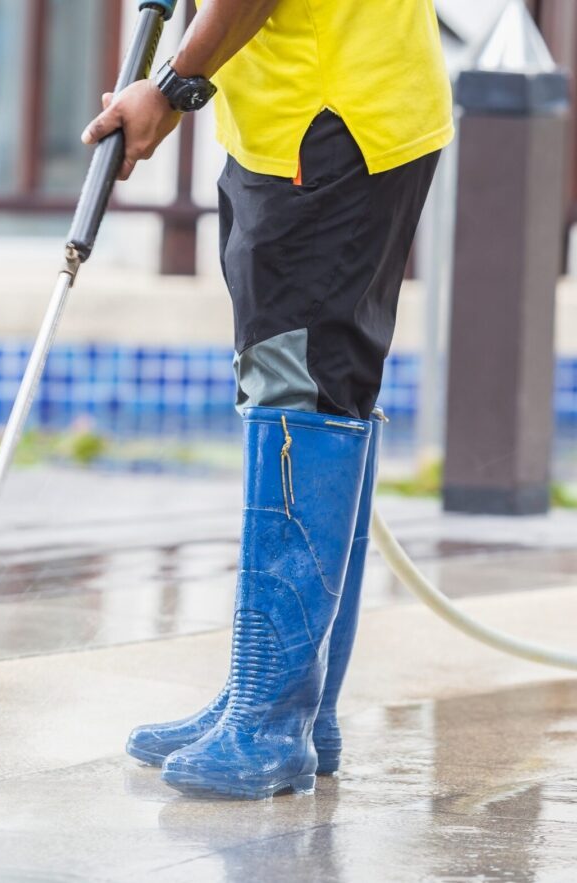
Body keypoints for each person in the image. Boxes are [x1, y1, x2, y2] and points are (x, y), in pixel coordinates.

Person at [82, 0, 452, 799]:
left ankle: (271, 717)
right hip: (305, 117)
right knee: (308, 386)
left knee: (303, 391)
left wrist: (174, 85)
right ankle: (283, 702)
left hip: (328, 122)